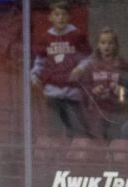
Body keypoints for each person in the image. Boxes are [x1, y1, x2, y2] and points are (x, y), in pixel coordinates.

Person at [30, 0, 90, 140]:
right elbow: (40, 61)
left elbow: (88, 58)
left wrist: (80, 69)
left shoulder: (77, 35)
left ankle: (74, 152)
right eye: (57, 15)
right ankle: (56, 153)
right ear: (50, 17)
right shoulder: (45, 38)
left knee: (75, 125)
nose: (60, 18)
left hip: (72, 89)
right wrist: (34, 76)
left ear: (69, 17)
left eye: (64, 15)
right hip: (52, 89)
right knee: (55, 125)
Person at [69, 27, 127, 140]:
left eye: (110, 43)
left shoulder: (122, 65)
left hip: (115, 112)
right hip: (95, 112)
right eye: (103, 42)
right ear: (98, 45)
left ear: (116, 45)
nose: (107, 46)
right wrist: (93, 91)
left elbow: (125, 95)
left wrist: (120, 91)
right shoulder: (91, 66)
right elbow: (83, 90)